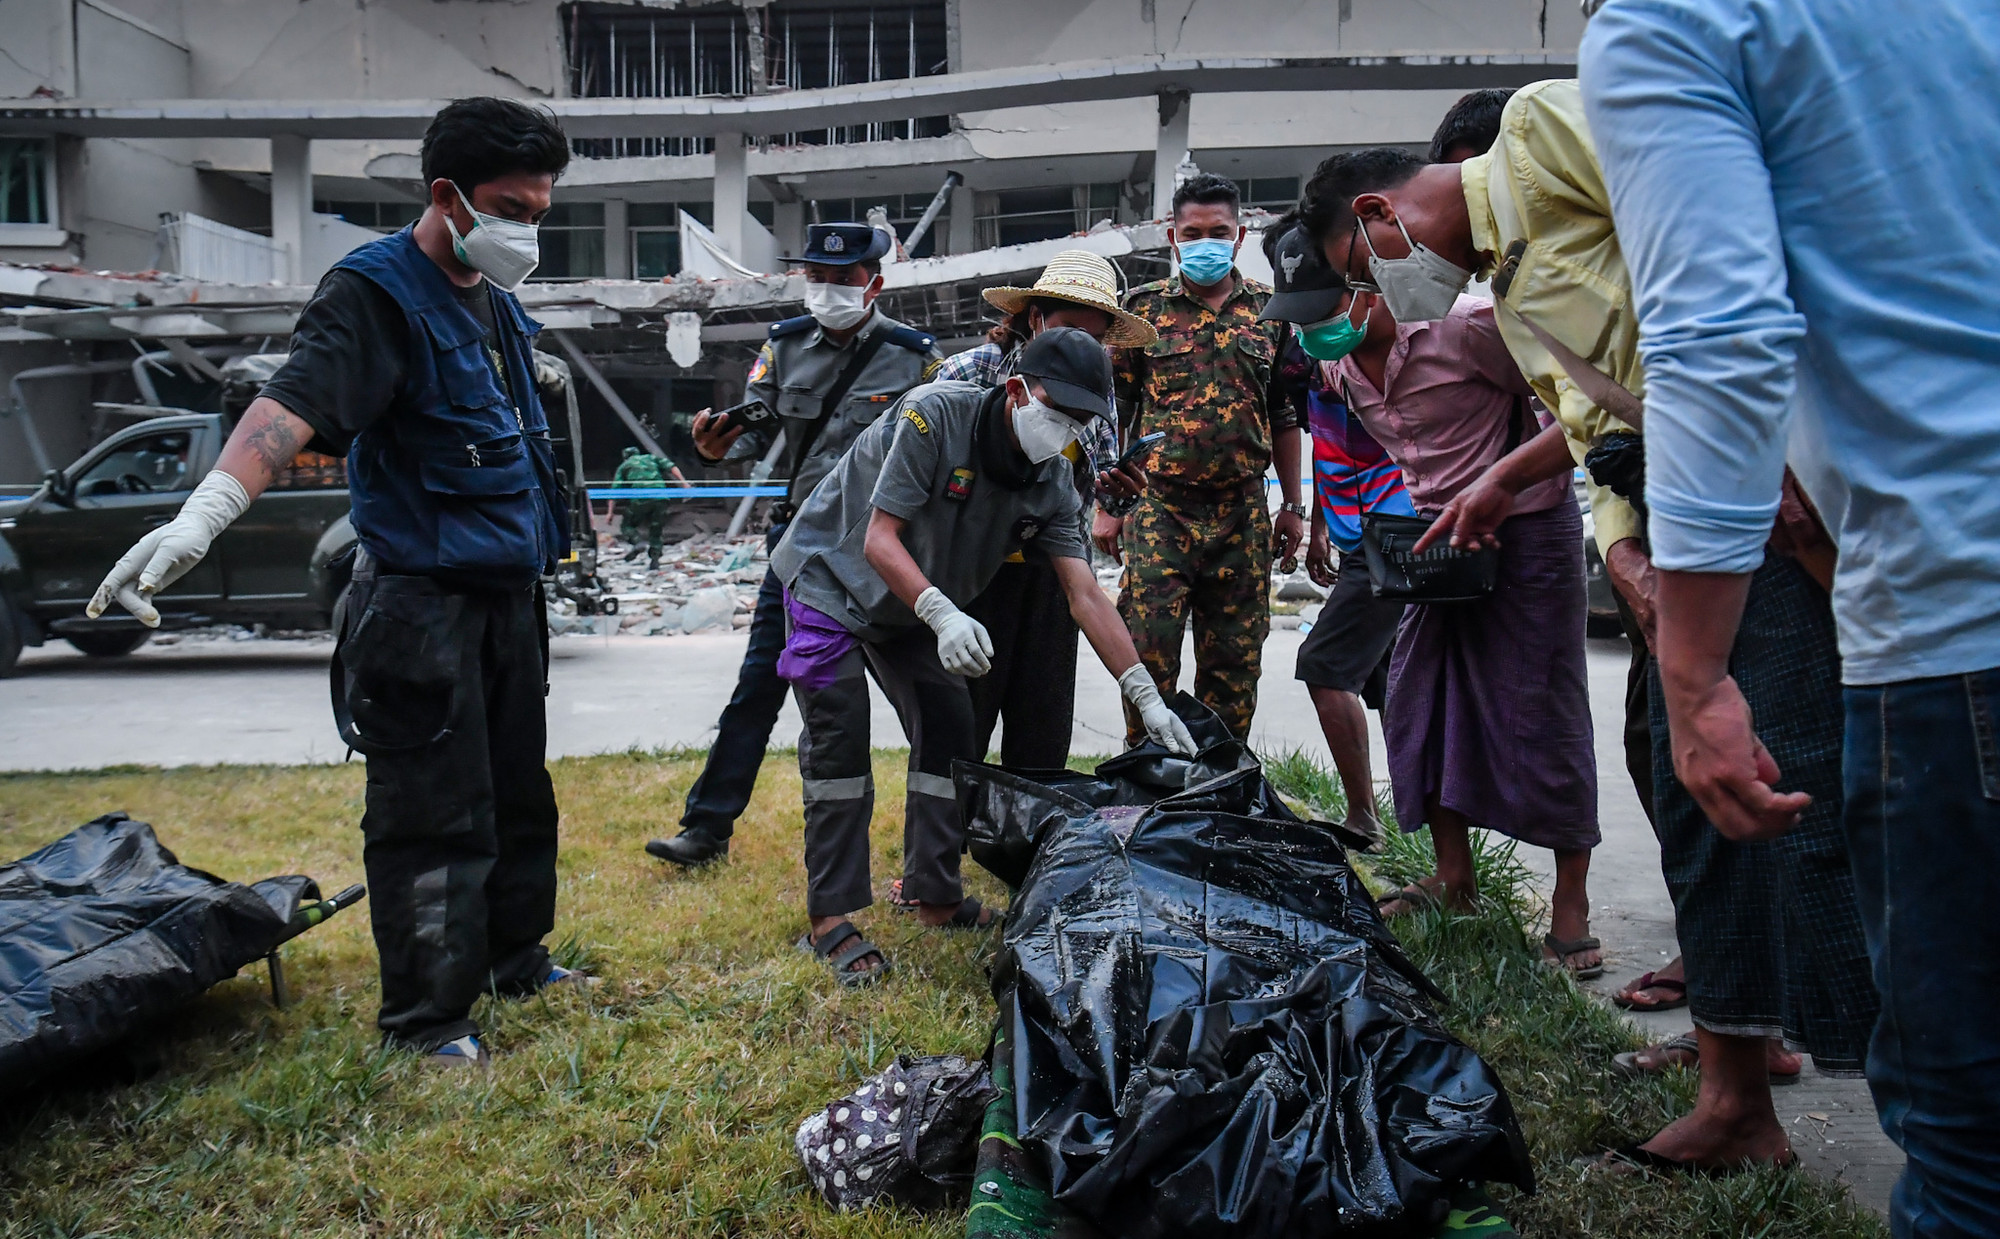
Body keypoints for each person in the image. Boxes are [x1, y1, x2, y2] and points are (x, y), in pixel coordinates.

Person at [1303, 90, 1876, 1175]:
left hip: (1773, 472)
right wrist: (1621, 551)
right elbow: (1589, 429)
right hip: (1674, 512)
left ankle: (1904, 1079)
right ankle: (1734, 1093)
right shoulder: (1507, 303)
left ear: (1379, 216)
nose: (1369, 295)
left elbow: (1737, 242)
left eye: (1355, 270)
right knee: (1690, 784)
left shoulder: (1538, 132)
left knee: (1811, 778)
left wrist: (1790, 435)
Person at [1581, 0, 2000, 1222]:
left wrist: (1697, 670)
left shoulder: (1678, 22)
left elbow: (1719, 338)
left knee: (1969, 1133)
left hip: (1957, 616)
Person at [88, 97, 590, 1068]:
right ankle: (427, 1020)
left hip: (505, 595)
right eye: (508, 207)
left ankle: (512, 958)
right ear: (446, 195)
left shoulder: (494, 299)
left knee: (518, 794)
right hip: (420, 603)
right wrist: (208, 511)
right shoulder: (373, 291)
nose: (526, 229)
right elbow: (295, 400)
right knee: (433, 813)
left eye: (539, 209)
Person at [770, 327, 1198, 983]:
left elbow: (1082, 592)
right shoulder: (934, 414)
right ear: (1018, 389)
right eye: (1056, 413)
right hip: (833, 582)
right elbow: (881, 540)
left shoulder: (1053, 480)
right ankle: (830, 918)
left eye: (1080, 422)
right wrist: (942, 613)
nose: (1063, 432)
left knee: (950, 725)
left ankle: (933, 891)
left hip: (913, 600)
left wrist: (1144, 691)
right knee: (839, 738)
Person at [645, 224, 941, 868]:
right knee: (759, 683)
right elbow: (749, 433)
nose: (829, 289)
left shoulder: (916, 357)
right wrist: (713, 444)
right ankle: (705, 828)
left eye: (844, 279)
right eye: (819, 278)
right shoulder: (783, 348)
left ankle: (941, 846)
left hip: (883, 551)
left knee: (927, 697)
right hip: (802, 548)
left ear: (875, 284)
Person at [934, 250, 1156, 770]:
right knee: (962, 720)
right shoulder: (968, 373)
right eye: (1069, 328)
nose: (1084, 346)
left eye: (1096, 338)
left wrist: (1122, 491)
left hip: (1055, 575)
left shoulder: (1093, 389)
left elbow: (1101, 489)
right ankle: (947, 833)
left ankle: (1027, 840)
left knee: (1043, 725)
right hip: (973, 576)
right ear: (1035, 319)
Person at [1110, 173, 1306, 742]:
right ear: (1173, 236)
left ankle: (1221, 788)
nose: (1205, 243)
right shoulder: (1141, 314)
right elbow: (1114, 413)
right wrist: (1108, 500)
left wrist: (1293, 507)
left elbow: (1286, 415)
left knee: (1236, 664)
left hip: (1243, 512)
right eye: (1192, 233)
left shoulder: (1274, 314)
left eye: (1218, 232)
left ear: (1240, 235)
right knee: (1147, 654)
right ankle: (1149, 779)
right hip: (1159, 509)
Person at [1257, 220, 1412, 844]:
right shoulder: (1303, 349)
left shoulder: (1383, 330)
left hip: (1399, 525)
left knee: (1325, 664)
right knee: (1385, 679)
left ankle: (1367, 818)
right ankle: (1415, 824)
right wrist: (1322, 523)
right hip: (1355, 530)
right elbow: (1328, 440)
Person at [610, 445, 686, 569]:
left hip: (641, 499)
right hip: (661, 497)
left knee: (627, 525)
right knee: (656, 529)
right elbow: (672, 467)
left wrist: (610, 513)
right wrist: (684, 483)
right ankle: (655, 560)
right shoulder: (652, 458)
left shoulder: (624, 465)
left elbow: (614, 491)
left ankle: (638, 542)